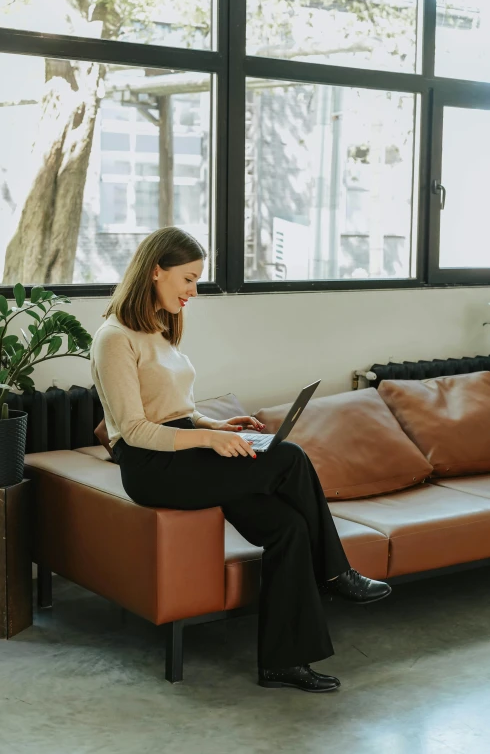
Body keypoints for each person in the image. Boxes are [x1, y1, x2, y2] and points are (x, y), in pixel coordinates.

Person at [90, 226, 391, 694]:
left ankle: (283, 663)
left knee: (288, 527)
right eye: (187, 279)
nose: (193, 291)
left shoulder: (159, 328)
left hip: (183, 452)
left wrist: (217, 427)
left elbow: (179, 412)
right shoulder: (114, 337)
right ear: (155, 271)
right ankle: (335, 573)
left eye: (196, 281)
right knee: (288, 458)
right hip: (153, 468)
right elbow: (135, 430)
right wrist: (207, 444)